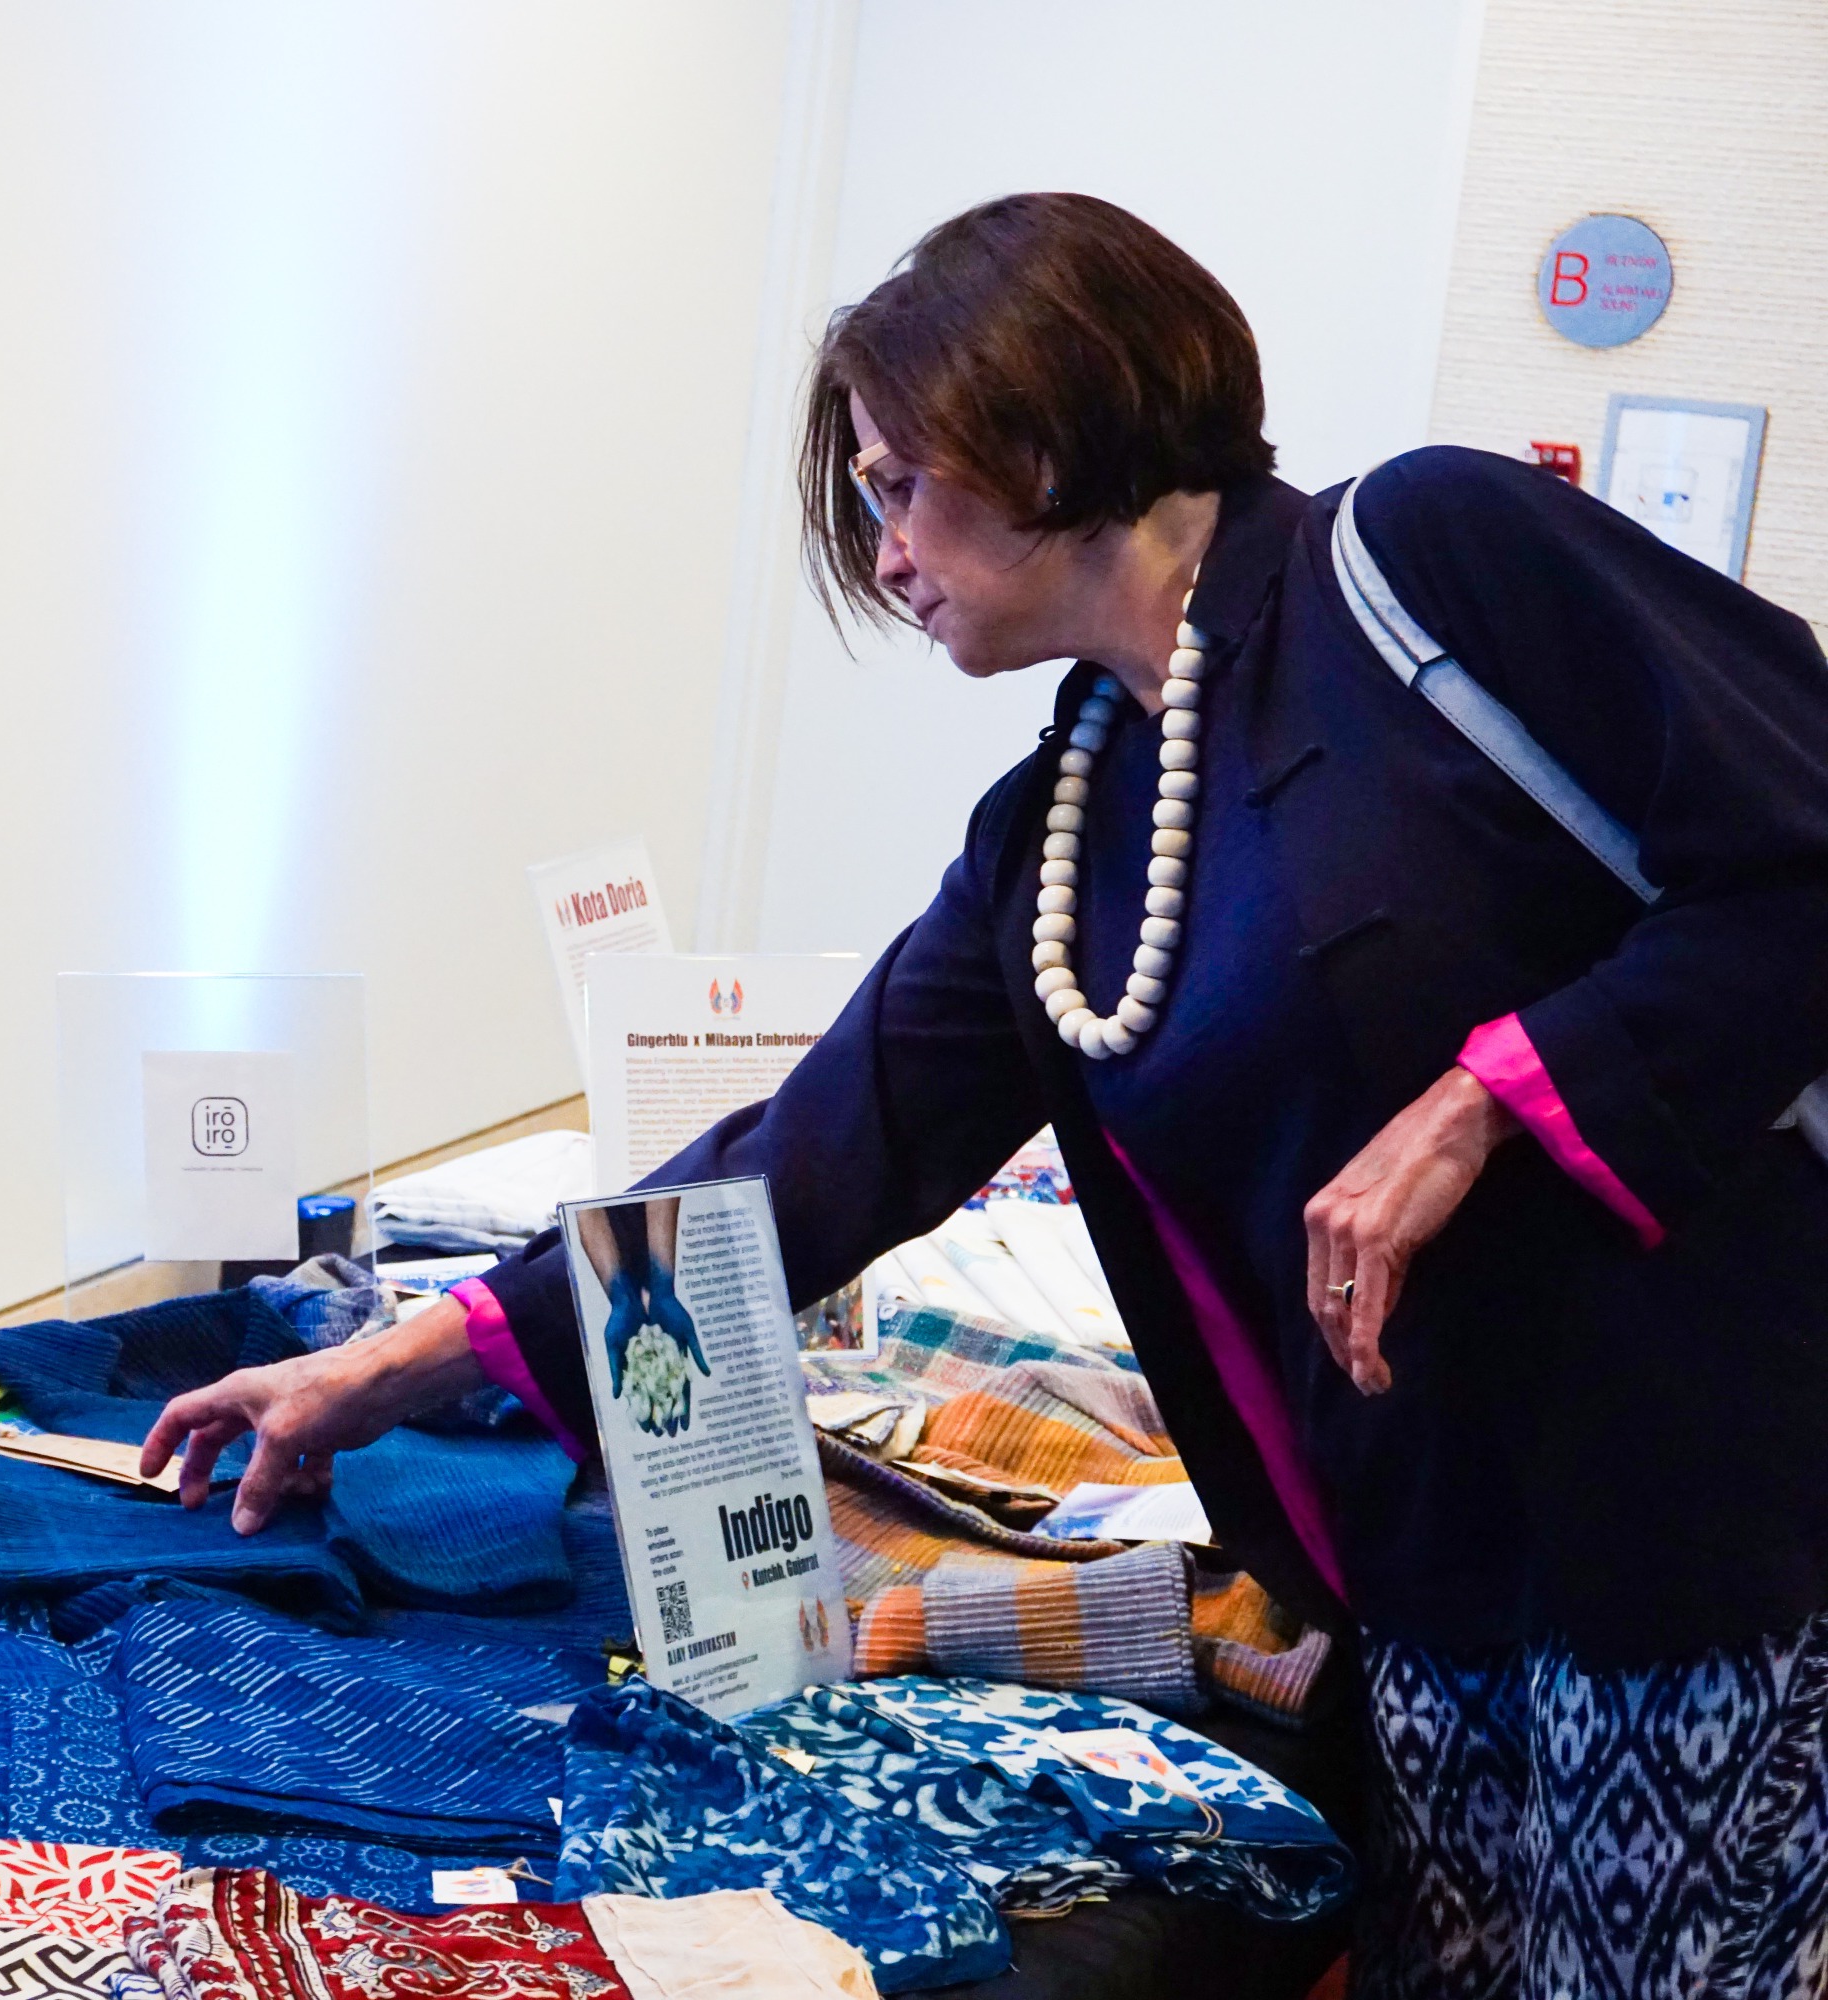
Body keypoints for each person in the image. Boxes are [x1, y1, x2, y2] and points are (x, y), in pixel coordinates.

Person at [142, 193, 1828, 1994]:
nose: (882, 555)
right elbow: (811, 1161)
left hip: (1696, 1540)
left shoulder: (1428, 555)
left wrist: (1486, 1096)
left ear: (1034, 428)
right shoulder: (1062, 835)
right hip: (1426, 1582)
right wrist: (387, 1367)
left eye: (892, 486)